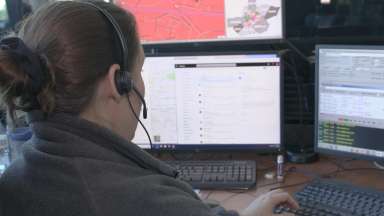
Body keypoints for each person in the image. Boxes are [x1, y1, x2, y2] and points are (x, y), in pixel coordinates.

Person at [0, 1, 299, 216]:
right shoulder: (138, 198)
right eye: (140, 69)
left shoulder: (16, 178)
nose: (143, 85)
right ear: (116, 83)